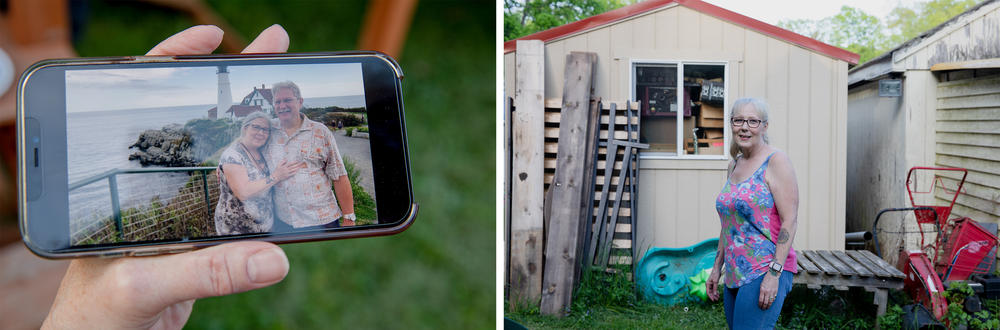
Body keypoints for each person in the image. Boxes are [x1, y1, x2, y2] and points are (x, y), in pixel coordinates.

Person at [43, 25, 293, 329]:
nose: (260, 132)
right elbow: (244, 187)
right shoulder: (235, 154)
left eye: (263, 129)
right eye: (256, 128)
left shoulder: (244, 147)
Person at [705, 98, 799, 329]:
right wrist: (717, 268)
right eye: (738, 120)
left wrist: (774, 274)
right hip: (735, 273)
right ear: (731, 124)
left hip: (764, 268)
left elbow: (790, 220)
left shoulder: (776, 162)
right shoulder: (734, 165)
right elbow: (729, 224)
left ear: (765, 126)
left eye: (753, 121)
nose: (744, 127)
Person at [265, 81, 356, 229]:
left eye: (287, 100)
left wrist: (349, 218)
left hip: (322, 220)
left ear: (300, 102)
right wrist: (225, 164)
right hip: (284, 221)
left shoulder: (320, 132)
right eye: (278, 102)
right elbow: (244, 144)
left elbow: (339, 175)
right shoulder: (267, 129)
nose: (282, 106)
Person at [214, 111, 303, 235]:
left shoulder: (263, 151)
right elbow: (243, 192)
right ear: (245, 128)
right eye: (256, 127)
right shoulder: (232, 155)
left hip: (265, 226)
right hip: (237, 229)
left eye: (266, 130)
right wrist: (276, 176)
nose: (261, 133)